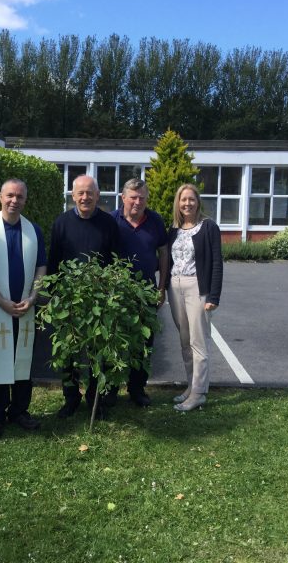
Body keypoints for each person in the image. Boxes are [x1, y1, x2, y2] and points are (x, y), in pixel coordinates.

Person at [0, 179, 47, 437]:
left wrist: (33, 297)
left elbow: (41, 266)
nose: (14, 201)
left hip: (26, 308)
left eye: (20, 196)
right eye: (10, 195)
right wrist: (1, 301)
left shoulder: (33, 231)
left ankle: (19, 411)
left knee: (23, 362)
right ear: (0, 197)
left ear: (25, 200)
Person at [48, 174, 120, 418]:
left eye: (90, 192)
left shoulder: (109, 224)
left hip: (99, 300)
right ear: (73, 195)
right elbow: (54, 261)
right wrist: (54, 296)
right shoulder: (61, 223)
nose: (85, 197)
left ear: (97, 196)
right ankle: (70, 398)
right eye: (80, 193)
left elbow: (116, 260)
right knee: (68, 352)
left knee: (97, 352)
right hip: (69, 300)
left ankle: (94, 399)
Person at [109, 177, 169, 407]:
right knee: (115, 341)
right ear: (123, 197)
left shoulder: (155, 220)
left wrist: (161, 287)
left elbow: (164, 253)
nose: (137, 202)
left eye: (142, 198)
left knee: (144, 344)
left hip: (146, 293)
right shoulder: (111, 221)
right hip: (117, 294)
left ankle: (137, 389)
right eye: (133, 197)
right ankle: (111, 390)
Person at [166, 183, 223, 412]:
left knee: (198, 342)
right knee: (184, 341)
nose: (187, 203)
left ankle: (199, 393)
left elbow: (217, 262)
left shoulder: (208, 227)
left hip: (197, 288)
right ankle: (191, 386)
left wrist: (214, 296)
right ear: (178, 203)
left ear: (198, 202)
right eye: (183, 199)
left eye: (191, 199)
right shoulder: (174, 229)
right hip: (175, 286)